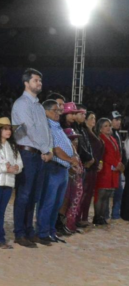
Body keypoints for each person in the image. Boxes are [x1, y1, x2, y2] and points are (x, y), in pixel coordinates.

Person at [12, 68, 53, 248]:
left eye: (40, 80)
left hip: (39, 154)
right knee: (24, 194)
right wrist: (45, 149)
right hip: (27, 153)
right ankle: (19, 233)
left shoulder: (38, 105)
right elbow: (29, 128)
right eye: (36, 80)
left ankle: (29, 231)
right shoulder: (21, 104)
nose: (39, 83)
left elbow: (46, 130)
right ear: (26, 83)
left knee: (33, 195)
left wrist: (48, 149)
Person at [36, 100, 81, 244]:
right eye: (55, 110)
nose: (58, 113)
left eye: (59, 110)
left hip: (62, 168)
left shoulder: (57, 126)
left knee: (57, 203)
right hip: (53, 167)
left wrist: (71, 161)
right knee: (49, 202)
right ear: (46, 111)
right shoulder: (46, 126)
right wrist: (70, 159)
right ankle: (43, 233)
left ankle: (51, 232)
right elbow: (55, 149)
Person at [0, 118, 22, 249]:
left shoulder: (12, 146)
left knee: (0, 210)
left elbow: (19, 163)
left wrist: (16, 168)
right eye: (5, 128)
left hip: (8, 182)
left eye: (9, 128)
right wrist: (6, 168)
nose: (8, 131)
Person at [95, 118, 120, 226]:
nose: (108, 127)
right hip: (104, 170)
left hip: (113, 170)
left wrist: (118, 163)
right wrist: (116, 163)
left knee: (107, 195)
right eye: (105, 126)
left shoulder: (112, 138)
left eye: (109, 125)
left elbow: (117, 153)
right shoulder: (100, 139)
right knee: (101, 194)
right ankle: (97, 217)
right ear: (100, 128)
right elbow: (106, 155)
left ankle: (102, 216)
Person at [74, 107, 95, 228]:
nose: (83, 116)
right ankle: (73, 221)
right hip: (79, 163)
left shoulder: (81, 129)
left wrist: (90, 158)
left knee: (80, 194)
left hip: (84, 163)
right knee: (77, 195)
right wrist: (88, 158)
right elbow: (80, 147)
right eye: (82, 114)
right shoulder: (77, 129)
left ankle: (75, 220)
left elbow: (86, 146)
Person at [64, 128, 86, 233]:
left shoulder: (75, 151)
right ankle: (67, 224)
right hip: (71, 182)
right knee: (70, 204)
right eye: (72, 139)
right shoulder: (67, 152)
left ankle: (71, 224)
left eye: (75, 139)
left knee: (75, 204)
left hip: (77, 182)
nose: (75, 141)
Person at [88, 115, 106, 226]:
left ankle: (98, 216)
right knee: (87, 194)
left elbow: (100, 154)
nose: (93, 120)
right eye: (91, 118)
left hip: (95, 166)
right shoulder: (87, 133)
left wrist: (99, 162)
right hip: (88, 166)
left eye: (94, 118)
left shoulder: (94, 134)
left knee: (89, 194)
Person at [109, 111, 126, 220]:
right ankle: (106, 214)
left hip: (118, 167)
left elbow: (121, 151)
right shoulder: (110, 134)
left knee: (118, 192)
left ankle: (115, 214)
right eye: (116, 120)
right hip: (111, 167)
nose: (118, 122)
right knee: (108, 192)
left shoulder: (117, 134)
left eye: (119, 120)